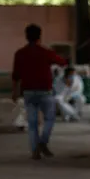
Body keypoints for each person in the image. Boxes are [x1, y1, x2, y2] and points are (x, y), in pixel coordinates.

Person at [12, 24, 66, 160]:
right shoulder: (45, 52)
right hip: (45, 91)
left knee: (32, 122)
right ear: (40, 36)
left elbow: (15, 76)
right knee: (50, 118)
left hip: (28, 91)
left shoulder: (20, 53)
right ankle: (43, 142)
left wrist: (14, 92)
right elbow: (62, 62)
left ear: (26, 36)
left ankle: (35, 151)